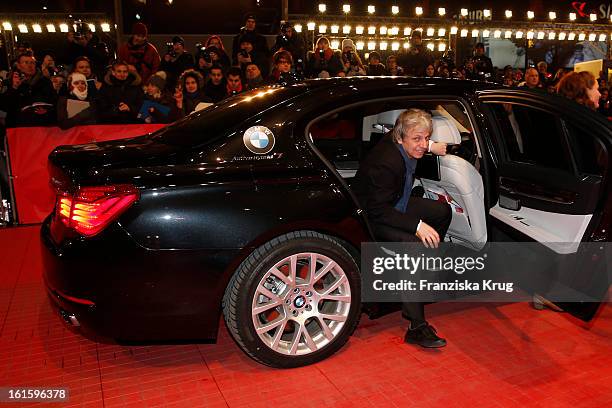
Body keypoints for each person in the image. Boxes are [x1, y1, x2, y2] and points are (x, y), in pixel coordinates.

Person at [353, 109, 450, 348]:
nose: (422, 144)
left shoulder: (400, 138)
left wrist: (432, 147)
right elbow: (378, 211)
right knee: (413, 245)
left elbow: (415, 137)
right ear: (400, 137)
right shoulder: (385, 163)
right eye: (418, 139)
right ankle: (416, 326)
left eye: (426, 138)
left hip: (397, 202)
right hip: (373, 216)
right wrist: (417, 226)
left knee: (443, 211)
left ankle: (421, 276)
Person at [0, 54, 57, 127]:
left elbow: (53, 101)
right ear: (18, 65)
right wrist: (14, 88)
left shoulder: (45, 82)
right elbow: (4, 106)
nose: (30, 65)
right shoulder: (8, 83)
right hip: (18, 128)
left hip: (41, 126)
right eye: (26, 62)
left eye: (32, 63)